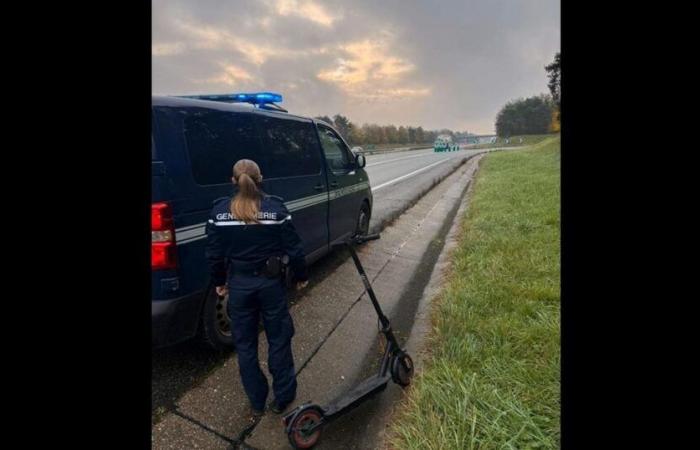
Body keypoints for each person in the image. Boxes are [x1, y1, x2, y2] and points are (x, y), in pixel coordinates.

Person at [205, 159, 309, 419]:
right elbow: (294, 248)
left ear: (233, 181)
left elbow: (214, 255)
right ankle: (283, 398)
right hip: (270, 286)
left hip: (239, 287)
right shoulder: (276, 208)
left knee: (245, 345)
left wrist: (220, 282)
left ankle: (257, 400)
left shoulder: (218, 212)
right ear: (260, 178)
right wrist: (301, 276)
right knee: (279, 338)